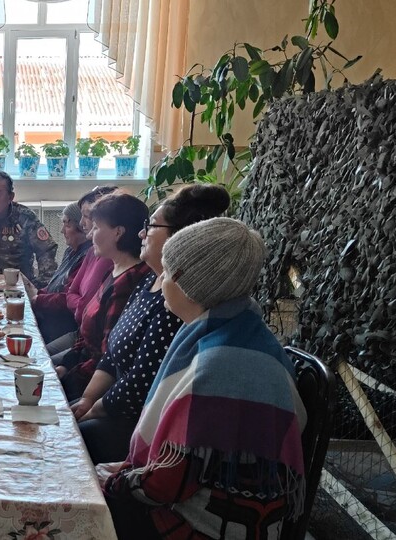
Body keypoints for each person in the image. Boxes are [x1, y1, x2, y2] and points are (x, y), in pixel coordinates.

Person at [98, 217, 307, 539]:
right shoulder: (243, 335)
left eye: (166, 271)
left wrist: (113, 480)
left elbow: (168, 484)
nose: (161, 279)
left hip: (200, 527)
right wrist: (128, 469)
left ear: (186, 281)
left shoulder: (219, 369)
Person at [72, 184, 230, 464]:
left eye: (151, 226)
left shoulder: (177, 300)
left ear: (178, 237)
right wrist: (86, 400)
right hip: (110, 402)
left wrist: (94, 409)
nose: (142, 233)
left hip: (139, 419)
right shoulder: (149, 280)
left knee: (67, 444)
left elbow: (140, 383)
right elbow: (111, 356)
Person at [52, 193, 151, 401]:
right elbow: (85, 336)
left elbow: (106, 358)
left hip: (94, 385)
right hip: (80, 365)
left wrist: (66, 379)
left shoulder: (129, 284)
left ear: (118, 232)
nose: (89, 235)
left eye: (96, 227)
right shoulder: (113, 270)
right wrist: (64, 365)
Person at [41, 186, 119, 354]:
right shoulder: (90, 252)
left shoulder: (106, 259)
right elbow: (71, 293)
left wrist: (37, 300)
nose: (84, 224)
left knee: (36, 359)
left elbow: (82, 307)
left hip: (81, 337)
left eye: (87, 216)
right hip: (80, 334)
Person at [30, 202, 91, 342]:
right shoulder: (71, 251)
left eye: (67, 225)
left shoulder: (87, 256)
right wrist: (39, 295)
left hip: (62, 325)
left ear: (82, 228)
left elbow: (68, 299)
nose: (62, 230)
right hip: (48, 316)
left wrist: (38, 300)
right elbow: (55, 284)